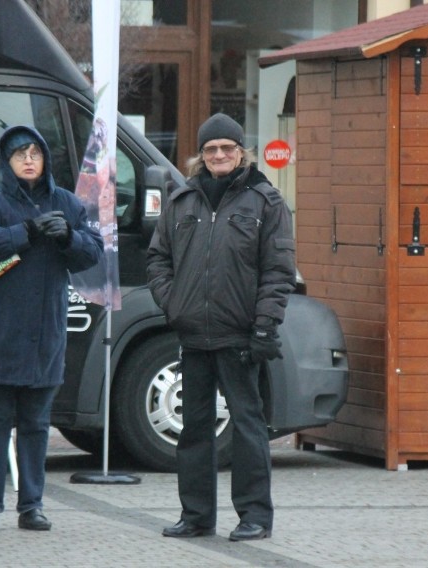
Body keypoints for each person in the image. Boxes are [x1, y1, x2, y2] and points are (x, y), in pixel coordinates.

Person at [146, 113, 296, 542]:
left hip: (241, 336)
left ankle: (254, 517)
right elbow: (158, 259)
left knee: (248, 426)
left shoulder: (266, 202)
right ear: (201, 156)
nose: (219, 156)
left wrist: (265, 324)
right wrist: (173, 302)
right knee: (193, 430)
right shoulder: (181, 201)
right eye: (211, 149)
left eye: (227, 148)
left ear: (240, 152)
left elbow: (278, 270)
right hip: (193, 335)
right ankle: (196, 516)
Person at [0, 125, 102, 532]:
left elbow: (91, 255)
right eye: (19, 153)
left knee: (37, 426)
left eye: (35, 153)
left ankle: (32, 506)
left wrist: (68, 237)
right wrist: (25, 232)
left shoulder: (67, 203)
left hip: (45, 335)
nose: (27, 160)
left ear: (45, 160)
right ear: (7, 160)